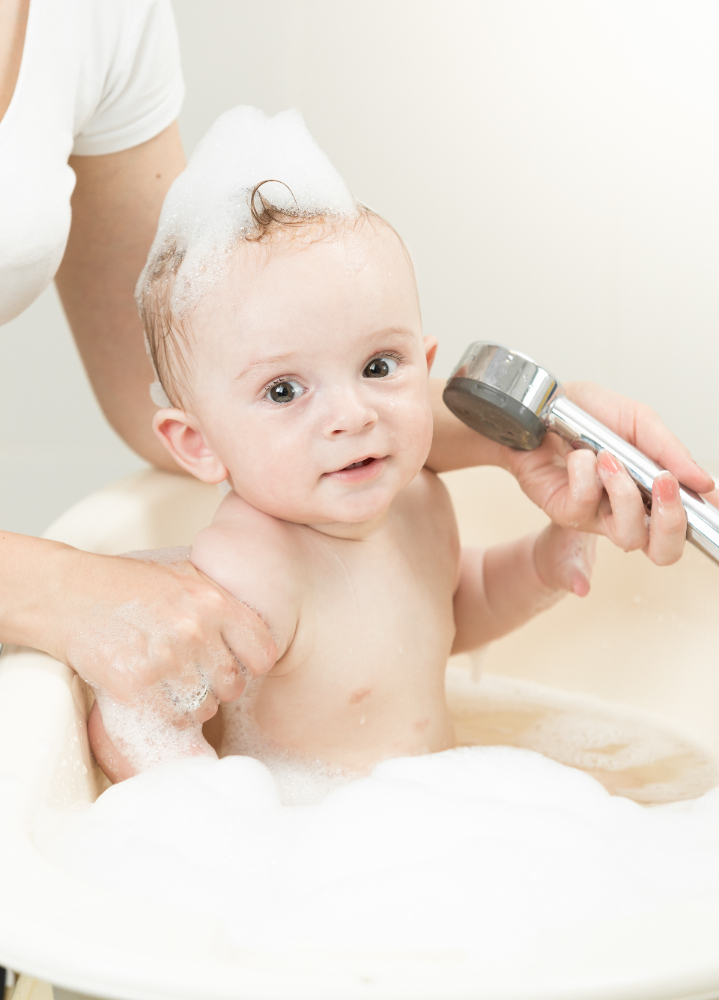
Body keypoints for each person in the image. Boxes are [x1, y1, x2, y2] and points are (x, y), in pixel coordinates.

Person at [0, 4, 709, 737]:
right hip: (295, 837)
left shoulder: (417, 504)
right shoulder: (252, 566)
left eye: (377, 366)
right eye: (283, 390)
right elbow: (150, 711)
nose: (351, 414)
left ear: (424, 360)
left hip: (414, 818)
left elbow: (452, 608)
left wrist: (541, 549)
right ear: (197, 443)